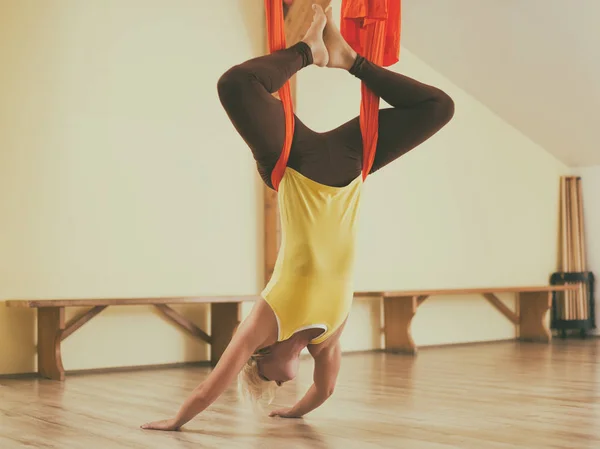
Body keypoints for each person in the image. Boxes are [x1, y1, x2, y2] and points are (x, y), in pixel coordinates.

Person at [141, 4, 454, 431]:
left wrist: (177, 421)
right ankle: (351, 60)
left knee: (236, 83)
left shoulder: (264, 323)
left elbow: (212, 385)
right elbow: (323, 391)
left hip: (292, 164)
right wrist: (294, 411)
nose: (279, 385)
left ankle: (306, 52)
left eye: (268, 382)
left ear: (262, 358)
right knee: (438, 107)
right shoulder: (327, 341)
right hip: (349, 168)